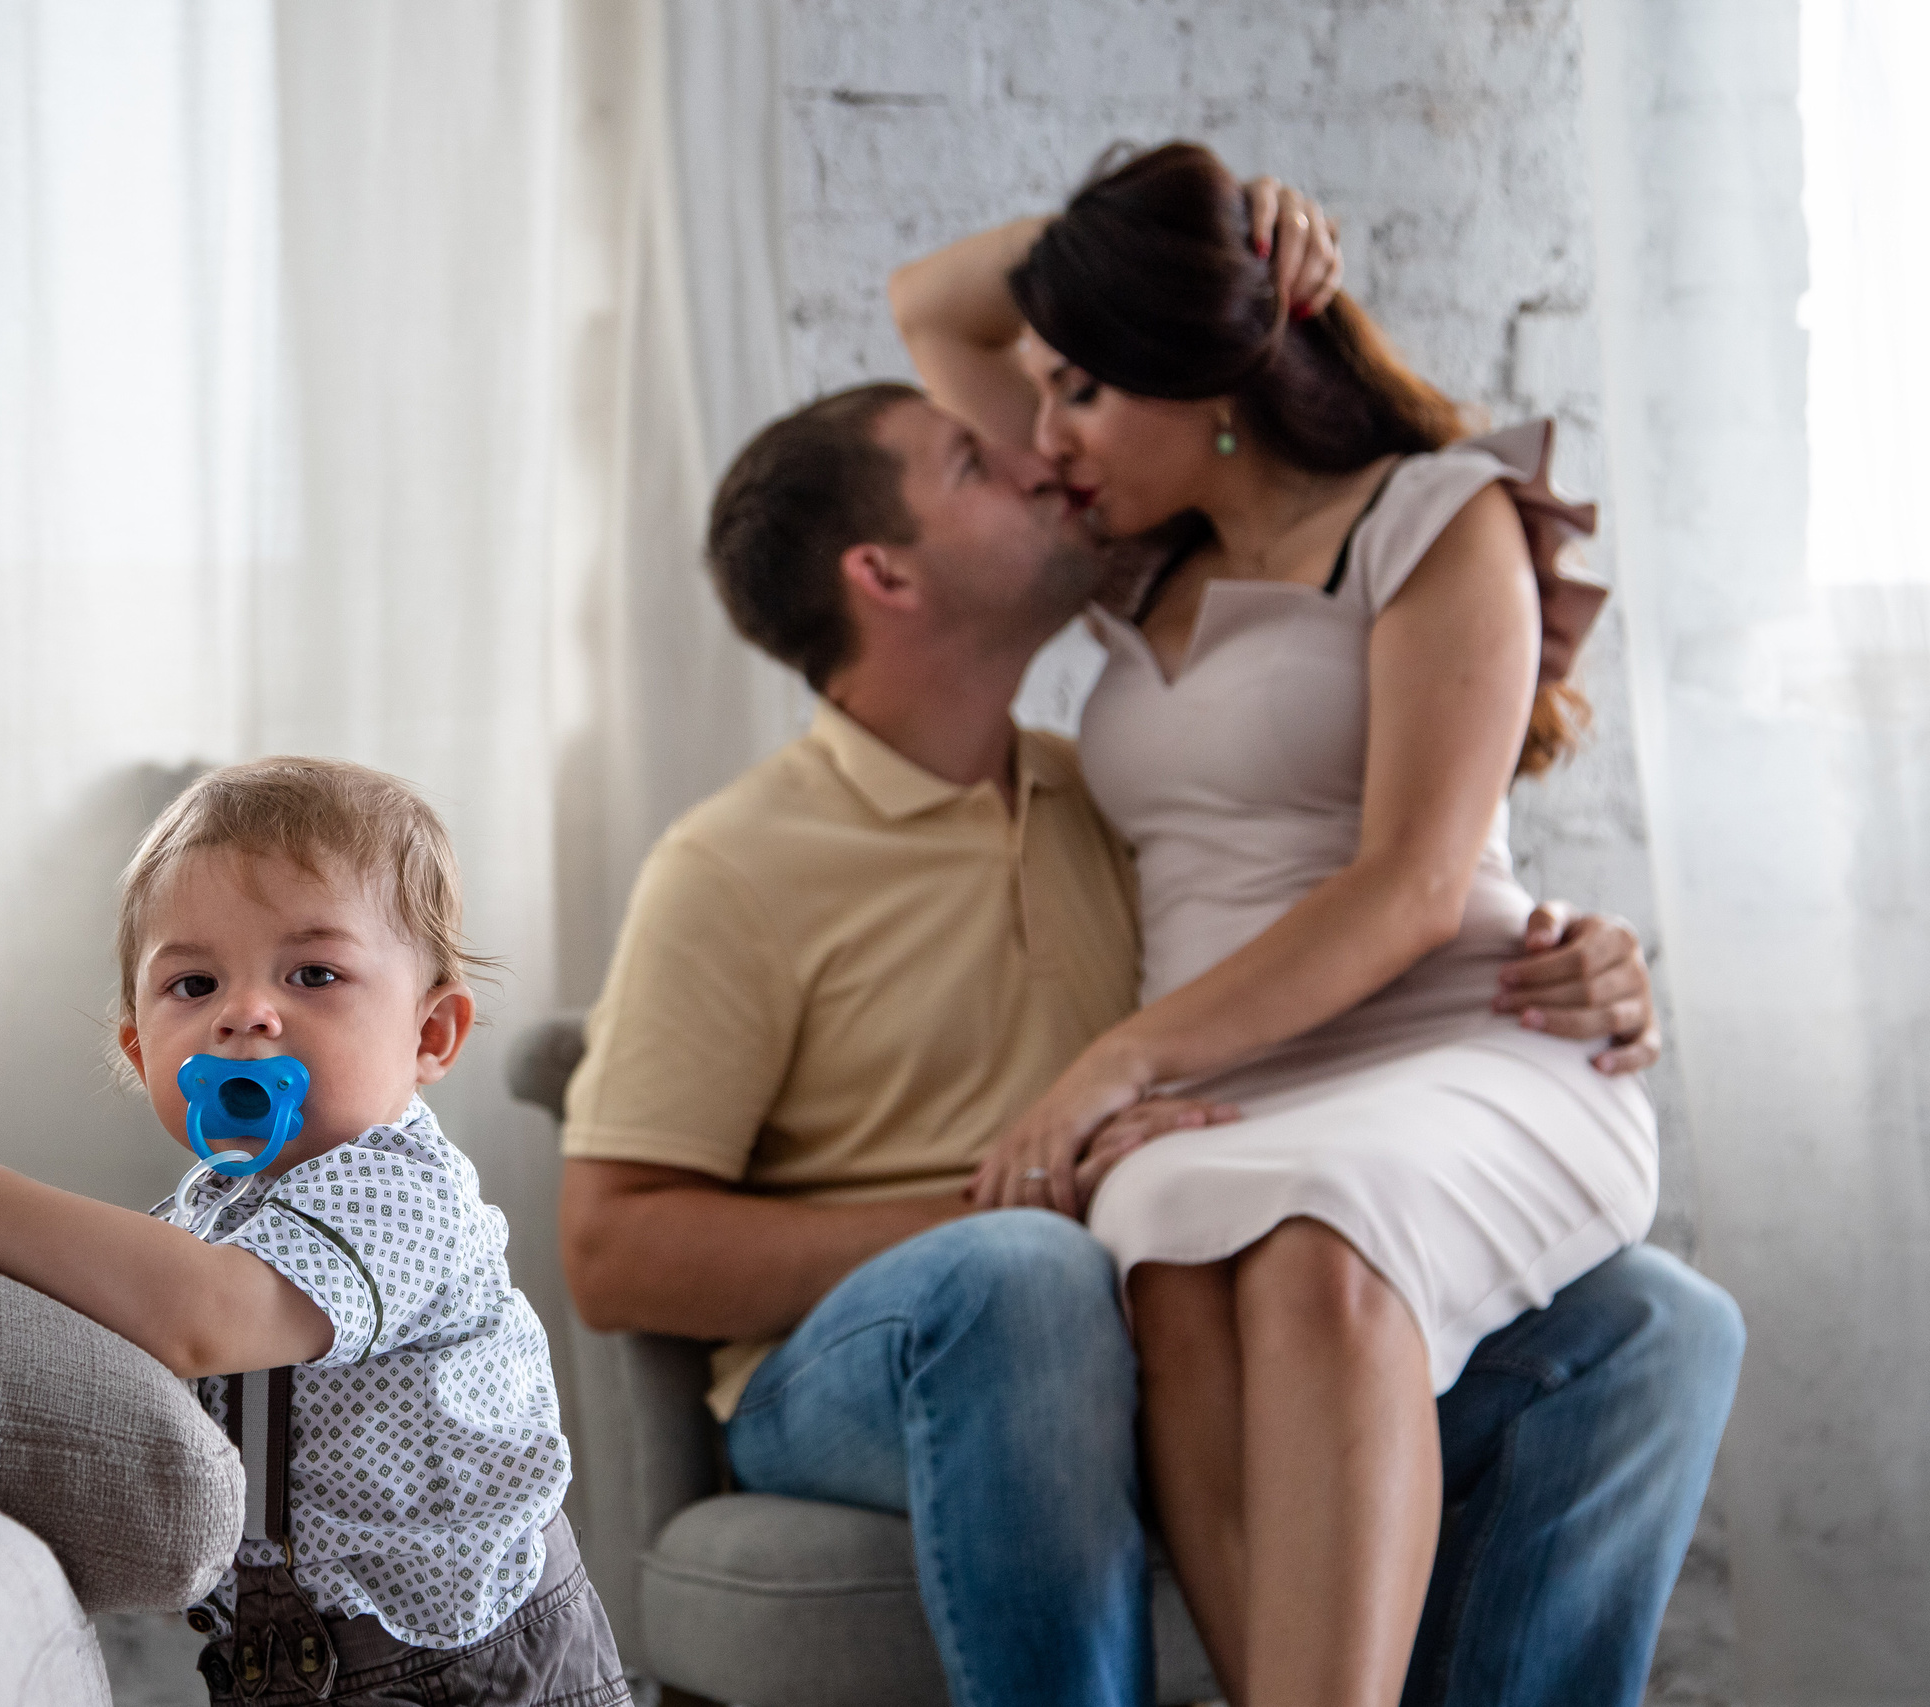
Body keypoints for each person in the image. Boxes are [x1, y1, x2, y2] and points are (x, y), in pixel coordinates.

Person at [560, 194, 1740, 1707]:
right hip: (897, 1339)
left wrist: (1225, 241)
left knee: (1659, 1320)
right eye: (982, 457)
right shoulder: (734, 861)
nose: (1041, 451)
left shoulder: (1108, 800)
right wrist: (1017, 1197)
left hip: (1200, 1217)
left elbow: (1352, 878)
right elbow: (608, 1253)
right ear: (885, 575)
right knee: (1036, 1272)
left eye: (1074, 393)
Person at [898, 139, 1686, 1707]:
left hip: (1470, 1036)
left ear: (1206, 371)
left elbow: (1410, 887)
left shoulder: (1436, 516)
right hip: (1224, 1085)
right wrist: (1227, 232)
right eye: (1045, 392)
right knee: (1173, 1240)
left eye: (1083, 388)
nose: (1046, 437)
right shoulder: (1133, 555)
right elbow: (935, 305)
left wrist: (1113, 1062)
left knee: (1320, 1237)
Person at [0, 757, 628, 1707]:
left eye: (314, 973)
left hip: (471, 1663)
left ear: (430, 1034)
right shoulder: (211, 1212)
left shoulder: (405, 1192)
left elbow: (204, 1316)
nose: (245, 1013)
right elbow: (126, 1327)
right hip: (284, 1659)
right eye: (194, 983)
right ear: (139, 1049)